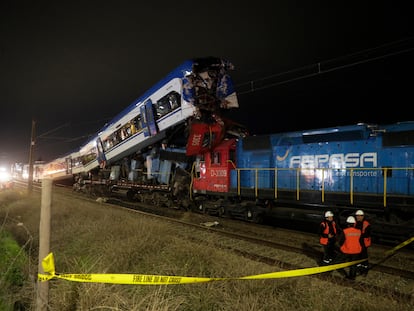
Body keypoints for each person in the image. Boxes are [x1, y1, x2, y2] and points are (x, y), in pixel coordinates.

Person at [354, 209, 371, 275]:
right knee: (358, 257)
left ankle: (365, 270)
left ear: (363, 216)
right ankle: (359, 269)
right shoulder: (355, 223)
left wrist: (359, 234)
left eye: (360, 216)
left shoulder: (366, 224)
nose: (358, 217)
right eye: (357, 216)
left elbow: (367, 234)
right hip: (357, 243)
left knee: (364, 257)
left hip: (364, 244)